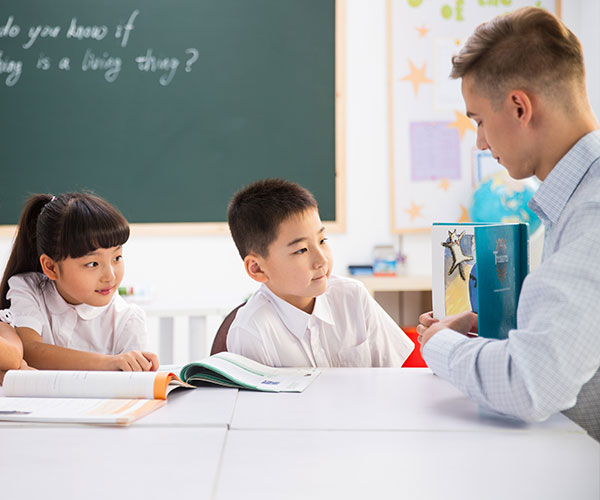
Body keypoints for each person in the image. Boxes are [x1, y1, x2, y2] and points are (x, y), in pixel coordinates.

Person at [417, 7, 600, 440]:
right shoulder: (577, 198)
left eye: (479, 121)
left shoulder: (591, 212)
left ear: (519, 107)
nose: (480, 142)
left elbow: (530, 384)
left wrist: (440, 345)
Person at [225, 178, 414, 367]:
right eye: (301, 250)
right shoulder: (251, 331)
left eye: (322, 240)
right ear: (257, 268)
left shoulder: (353, 296)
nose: (322, 260)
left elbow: (395, 374)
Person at [0, 193, 159, 371]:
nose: (110, 277)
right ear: (51, 267)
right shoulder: (29, 289)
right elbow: (30, 351)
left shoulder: (128, 319)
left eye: (117, 258)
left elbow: (137, 382)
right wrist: (110, 362)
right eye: (93, 264)